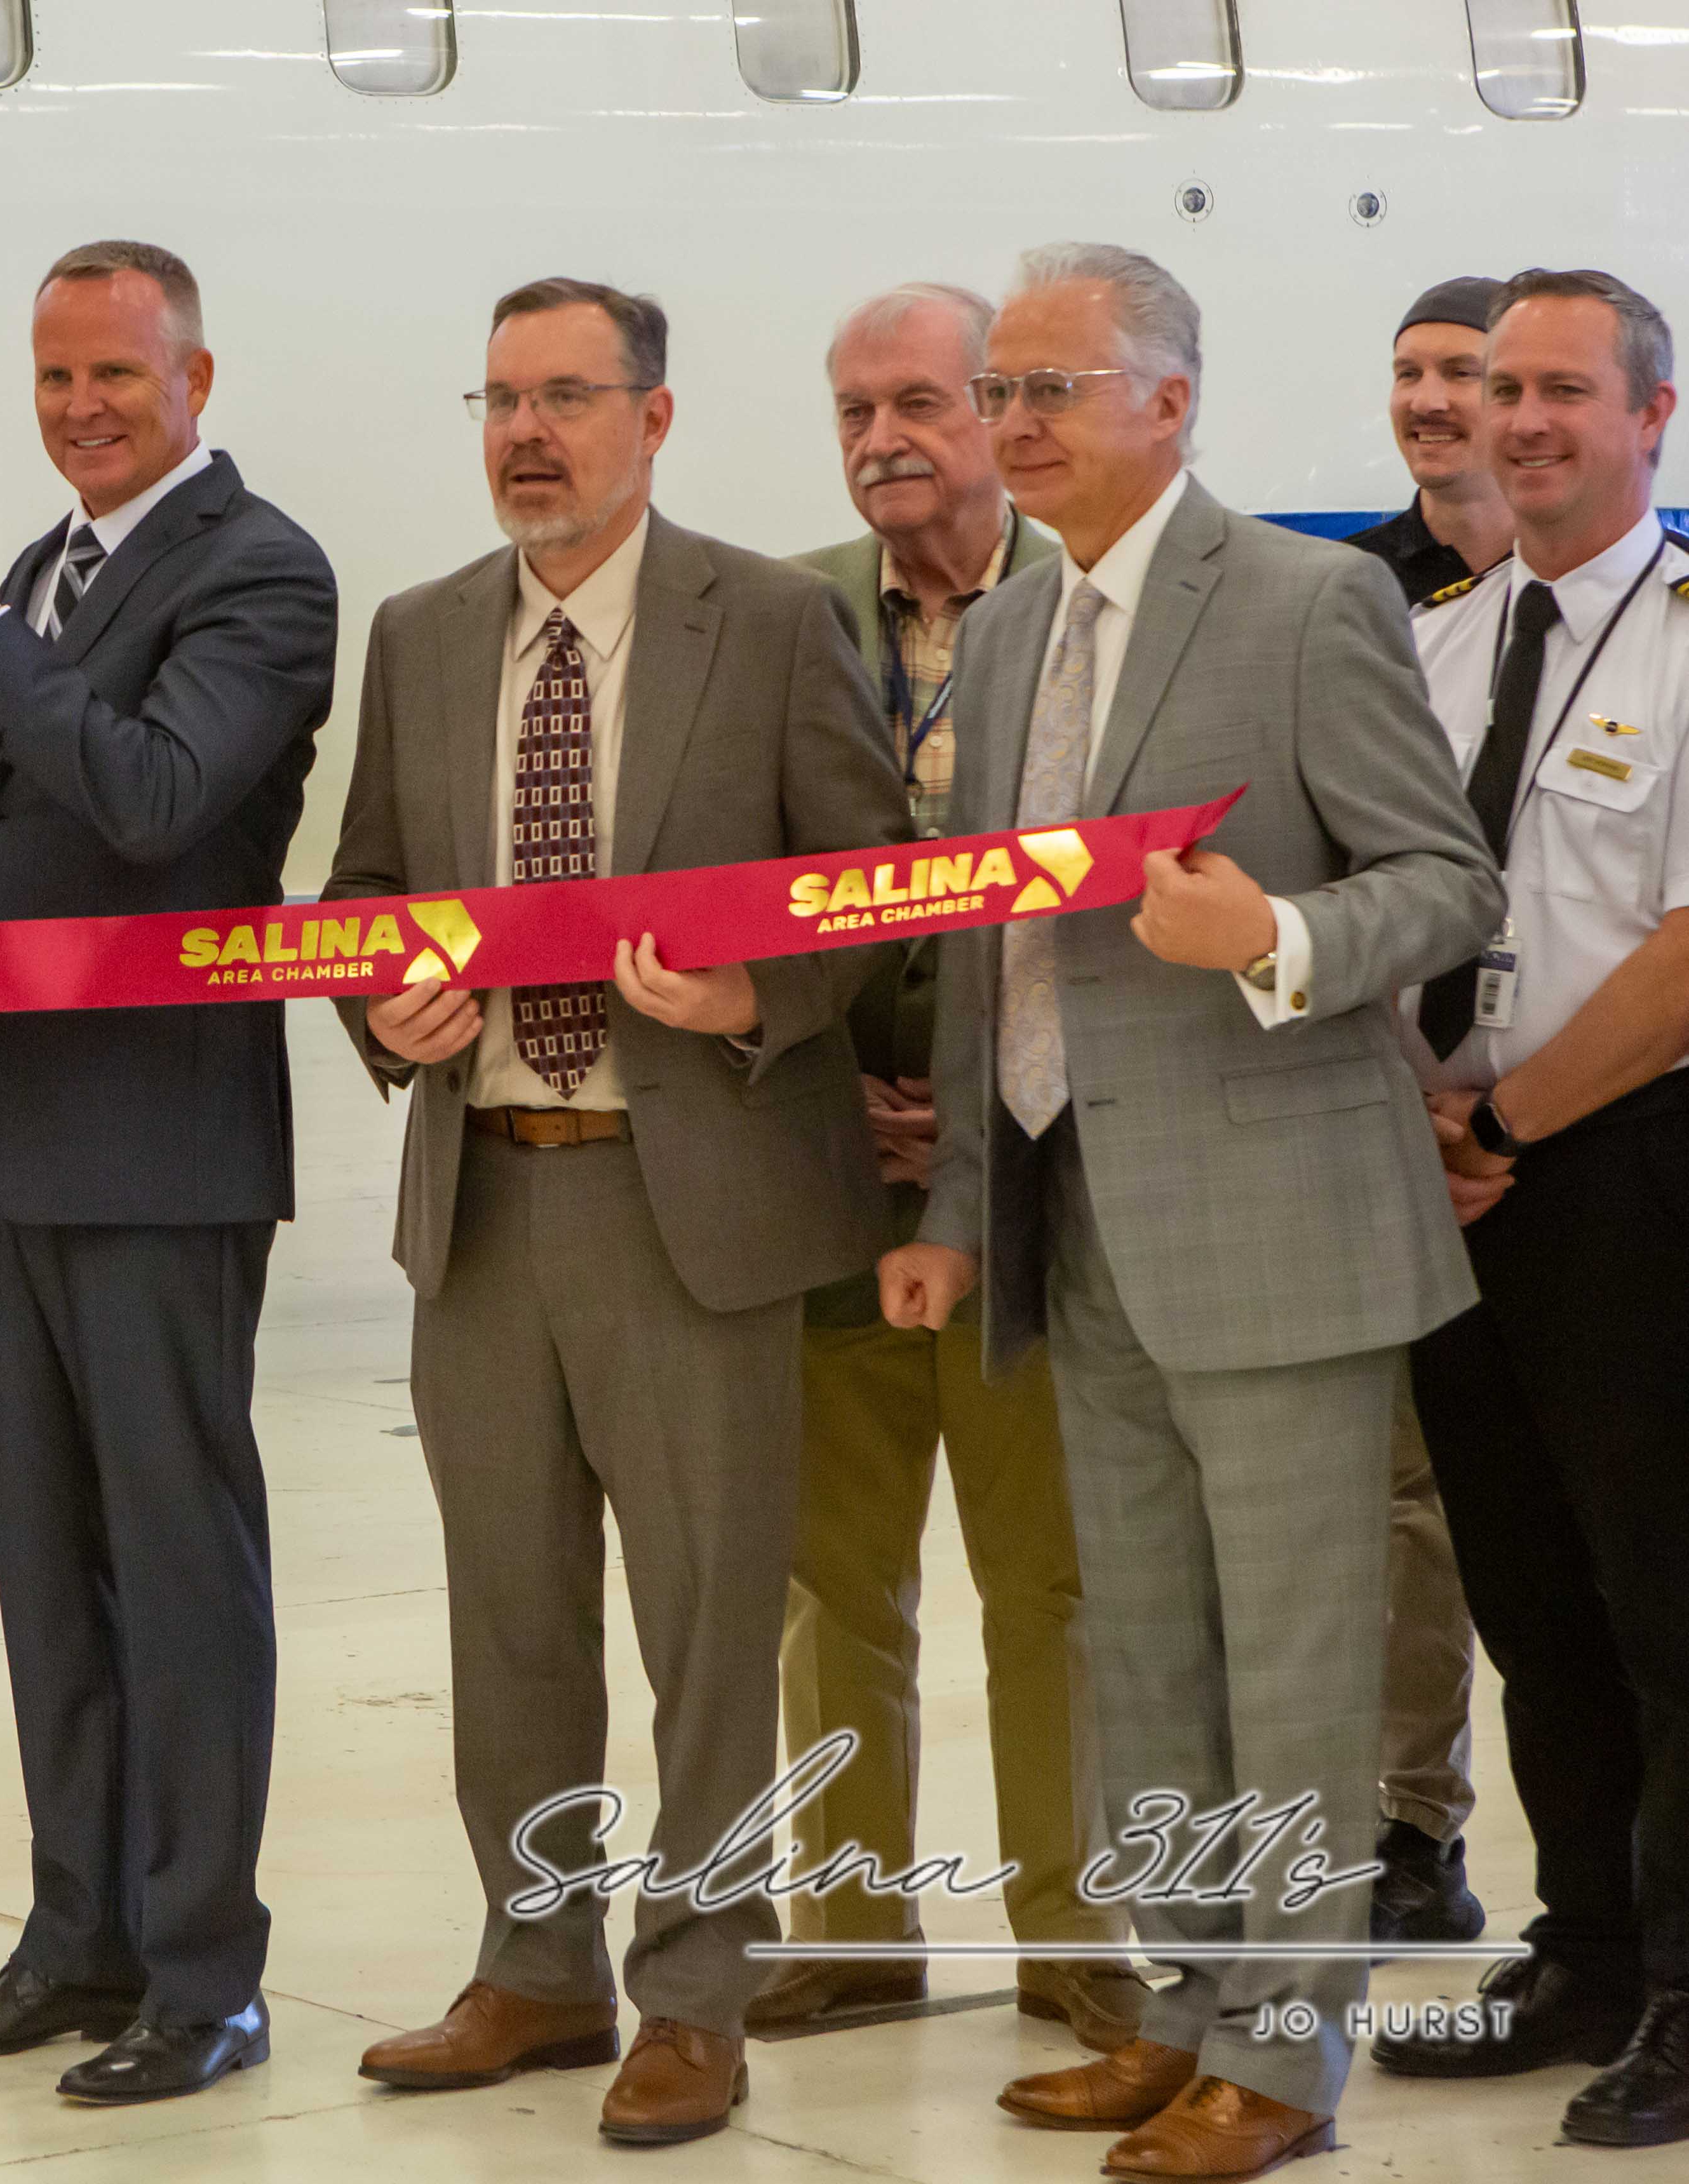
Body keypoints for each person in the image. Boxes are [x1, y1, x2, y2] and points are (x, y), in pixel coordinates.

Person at [880, 243, 1498, 2181]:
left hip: (1282, 1228)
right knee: (1143, 1655)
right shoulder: (1002, 633)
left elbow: (1445, 881)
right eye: (1001, 390)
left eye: (1054, 386)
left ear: (1171, 397)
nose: (1014, 423)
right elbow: (1000, 968)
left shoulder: (1306, 603)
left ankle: (1287, 2065)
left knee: (1302, 1673)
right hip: (1080, 1218)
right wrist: (968, 1210)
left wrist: (1284, 937)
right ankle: (1176, 2009)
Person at [321, 275, 908, 2147]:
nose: (524, 434)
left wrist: (757, 1004)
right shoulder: (418, 637)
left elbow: (873, 884)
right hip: (485, 1201)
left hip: (695, 1210)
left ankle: (698, 1991)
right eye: (497, 399)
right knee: (509, 1626)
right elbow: (362, 892)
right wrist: (380, 1008)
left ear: (653, 419)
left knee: (710, 1632)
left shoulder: (774, 620)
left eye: (566, 397)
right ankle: (535, 1972)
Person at [0, 239, 335, 2106]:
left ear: (197, 376)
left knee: (180, 1571)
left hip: (161, 1144)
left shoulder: (259, 569)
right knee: (52, 1572)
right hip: (11, 1141)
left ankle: (204, 1976)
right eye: (54, 380)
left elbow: (162, 801)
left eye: (115, 374)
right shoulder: (41, 576)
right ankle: (76, 1938)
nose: (81, 409)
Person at [760, 281, 1142, 2054]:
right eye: (850, 410)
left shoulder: (1087, 613)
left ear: (994, 410)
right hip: (821, 1165)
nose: (878, 439)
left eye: (914, 400)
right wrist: (822, 1089)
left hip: (1026, 1172)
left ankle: (1073, 1925)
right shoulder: (778, 616)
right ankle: (843, 1928)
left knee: (1044, 1574)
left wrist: (975, 1112)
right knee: (826, 1574)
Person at [1372, 267, 1689, 2151]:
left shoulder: (1681, 633)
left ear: (1651, 415)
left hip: (1633, 1173)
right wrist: (1434, 1120)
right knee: (1530, 1598)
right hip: (1456, 1189)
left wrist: (1504, 1116)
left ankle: (1686, 1981)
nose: (1523, 420)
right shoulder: (1435, 644)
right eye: (1504, 389)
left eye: (1566, 388)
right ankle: (1579, 1951)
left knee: (1668, 1602)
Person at [1338, 276, 1509, 1952]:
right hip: (1394, 1107)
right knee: (1400, 1497)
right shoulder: (1344, 592)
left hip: (1576, 1106)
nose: (1432, 399)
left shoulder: (1619, 600)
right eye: (1408, 373)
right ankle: (1408, 1822)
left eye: (1458, 371)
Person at [1345, 278, 1515, 608]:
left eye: (1461, 373)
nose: (1425, 403)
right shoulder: (1346, 582)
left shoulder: (1578, 574)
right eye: (1408, 374)